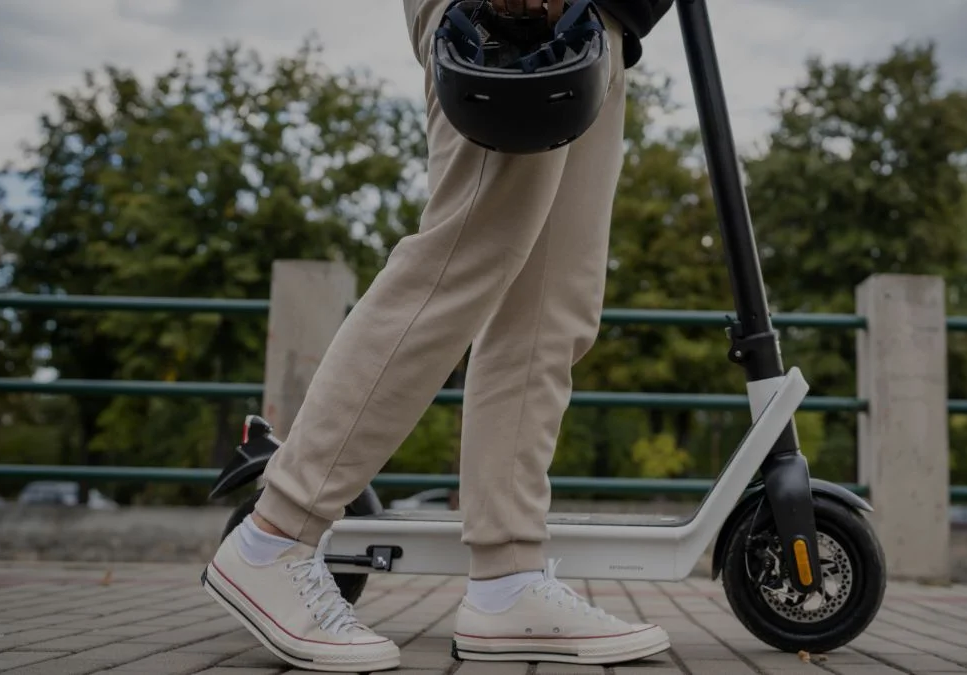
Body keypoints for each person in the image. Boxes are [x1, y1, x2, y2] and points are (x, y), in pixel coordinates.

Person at [200, 0, 677, 671]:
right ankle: (274, 534)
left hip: (608, 22)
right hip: (522, 14)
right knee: (461, 260)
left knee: (552, 305)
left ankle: (508, 582)